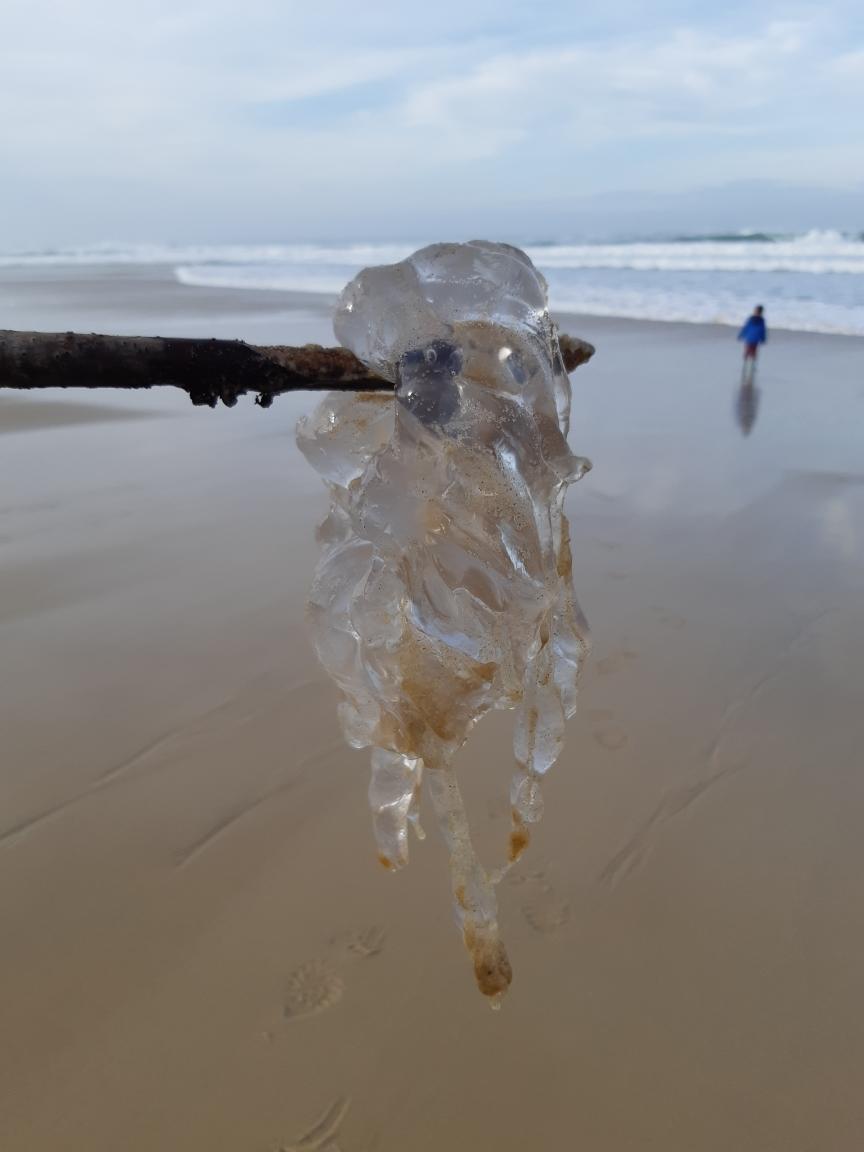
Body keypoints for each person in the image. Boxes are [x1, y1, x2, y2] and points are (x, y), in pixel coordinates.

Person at [738, 305, 767, 372]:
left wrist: (741, 335)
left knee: (748, 352)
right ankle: (751, 366)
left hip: (750, 338)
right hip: (754, 339)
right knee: (753, 353)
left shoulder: (751, 319)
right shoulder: (761, 320)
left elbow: (746, 328)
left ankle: (746, 365)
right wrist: (763, 339)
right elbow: (763, 331)